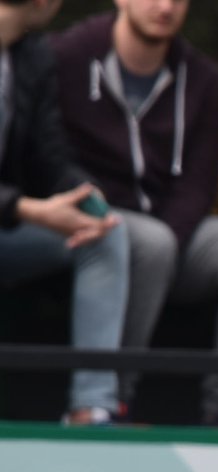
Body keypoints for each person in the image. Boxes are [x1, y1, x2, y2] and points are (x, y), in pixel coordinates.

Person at [53, 0, 218, 427]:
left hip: (174, 231)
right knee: (143, 240)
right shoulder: (69, 56)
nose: (165, 7)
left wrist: (170, 238)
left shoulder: (204, 78)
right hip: (89, 223)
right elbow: (53, 157)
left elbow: (200, 183)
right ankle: (112, 403)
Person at [0, 0, 130, 426]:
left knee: (106, 234)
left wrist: (83, 197)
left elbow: (49, 155)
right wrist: (25, 208)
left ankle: (91, 408)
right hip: (16, 212)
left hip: (12, 225)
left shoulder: (31, 54)